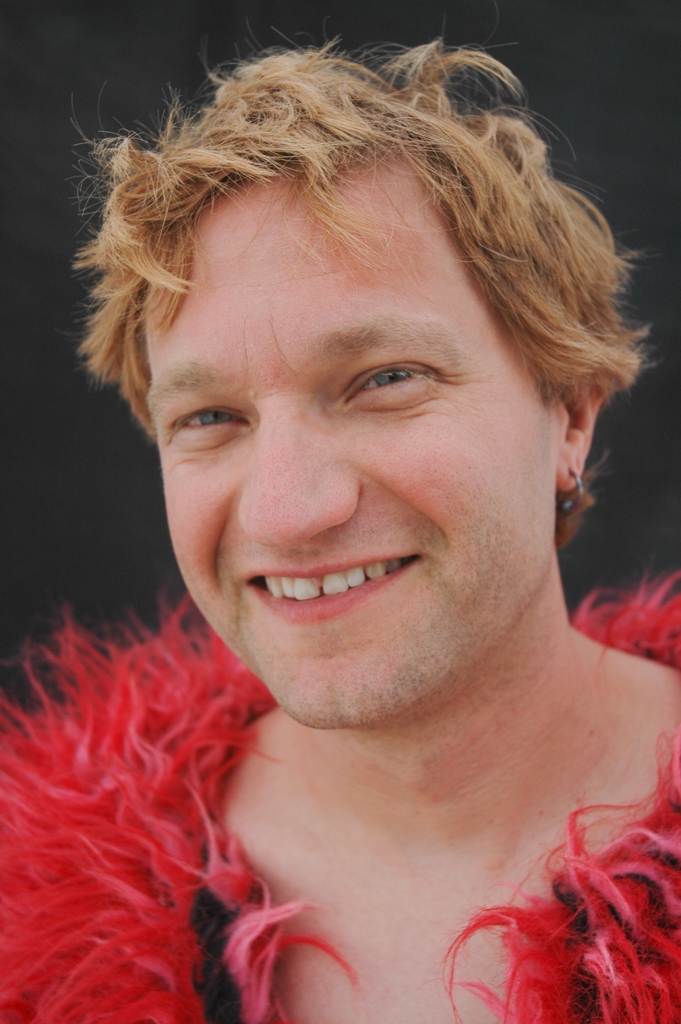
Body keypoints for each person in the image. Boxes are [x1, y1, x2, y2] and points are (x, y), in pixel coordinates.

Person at [2, 41, 681, 1024]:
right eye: (210, 419)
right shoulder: (31, 910)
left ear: (570, 412)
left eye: (385, 380)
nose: (287, 507)